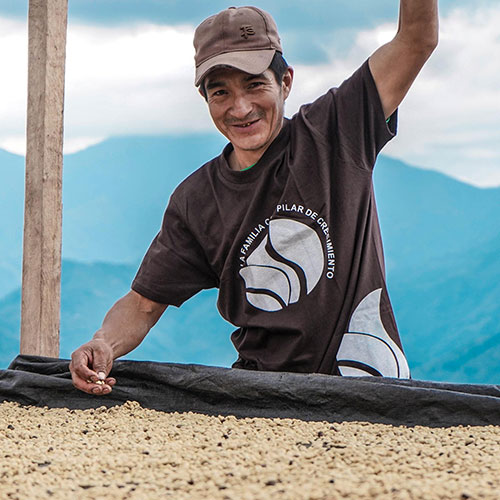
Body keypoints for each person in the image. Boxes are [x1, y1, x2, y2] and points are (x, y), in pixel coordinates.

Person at [70, 3, 439, 395]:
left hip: (366, 387)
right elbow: (143, 303)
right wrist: (103, 344)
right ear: (205, 98)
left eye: (254, 85)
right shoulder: (197, 201)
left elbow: (417, 40)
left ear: (285, 83)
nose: (240, 108)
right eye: (221, 92)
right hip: (261, 397)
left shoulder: (335, 132)